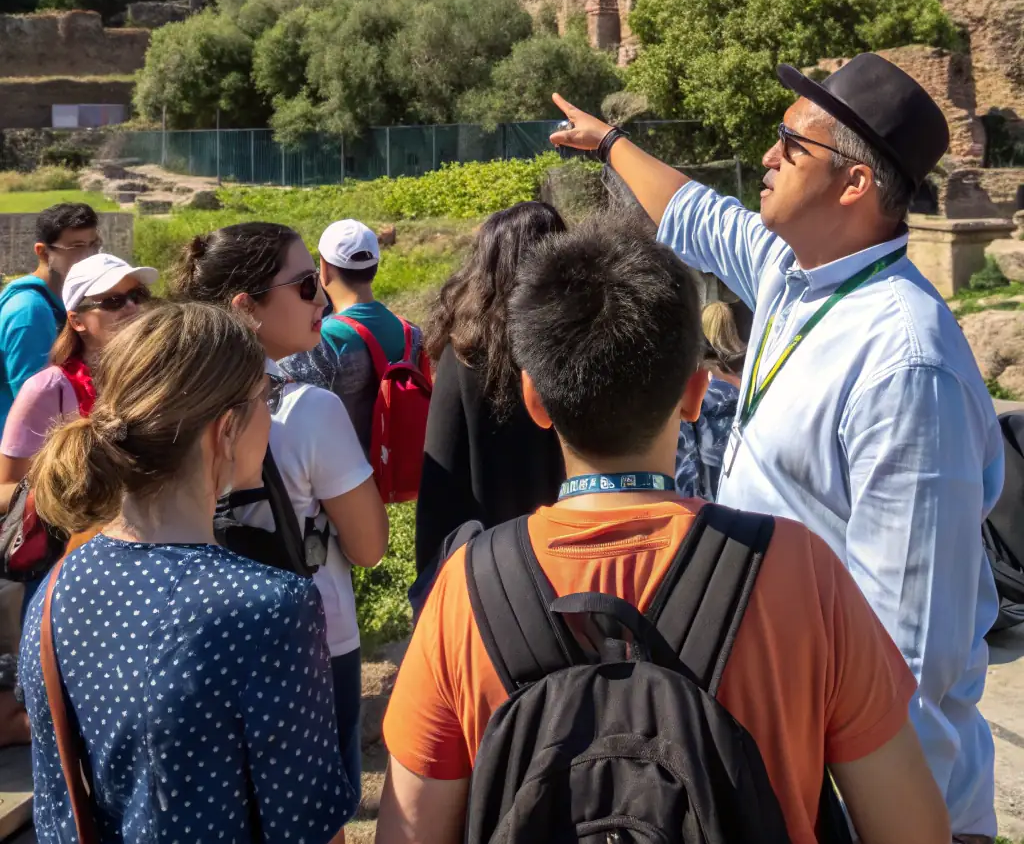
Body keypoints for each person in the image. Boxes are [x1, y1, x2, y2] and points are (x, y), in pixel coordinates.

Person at [549, 53, 1004, 843]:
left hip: (876, 793)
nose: (767, 155)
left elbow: (911, 649)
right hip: (795, 763)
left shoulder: (906, 364)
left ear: (854, 184)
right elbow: (694, 213)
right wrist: (611, 143)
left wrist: (874, 814)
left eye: (791, 143)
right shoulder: (797, 274)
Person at [377, 219, 949, 844]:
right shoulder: (799, 572)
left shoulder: (466, 589)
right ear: (696, 392)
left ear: (534, 400)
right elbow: (911, 828)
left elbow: (410, 829)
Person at [19, 300, 353, 843]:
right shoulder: (268, 609)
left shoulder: (58, 589)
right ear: (225, 431)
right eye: (266, 396)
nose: (270, 411)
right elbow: (308, 829)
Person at [174, 222, 389, 810]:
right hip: (311, 641)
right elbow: (370, 547)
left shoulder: (164, 403)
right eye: (303, 285)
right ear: (246, 307)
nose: (322, 297)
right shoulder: (307, 409)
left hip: (185, 641)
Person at [414, 202, 566, 577]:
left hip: (493, 573)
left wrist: (429, 590)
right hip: (576, 556)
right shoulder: (580, 345)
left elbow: (440, 483)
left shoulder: (465, 356)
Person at [0, 253, 158, 487]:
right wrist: (77, 503)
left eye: (138, 295)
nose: (132, 307)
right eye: (113, 301)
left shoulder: (159, 376)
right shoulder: (47, 389)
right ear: (76, 321)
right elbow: (6, 487)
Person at [280, 219, 426, 454]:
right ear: (375, 267)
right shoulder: (412, 332)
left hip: (344, 480)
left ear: (324, 270)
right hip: (399, 474)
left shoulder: (322, 339)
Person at [0, 202, 99, 432]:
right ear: (43, 252)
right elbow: (35, 407)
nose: (89, 256)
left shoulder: (54, 301)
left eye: (93, 244)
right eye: (76, 247)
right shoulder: (31, 311)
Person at [674, 299, 752, 501]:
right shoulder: (749, 387)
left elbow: (687, 461)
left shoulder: (698, 390)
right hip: (749, 500)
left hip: (710, 507)